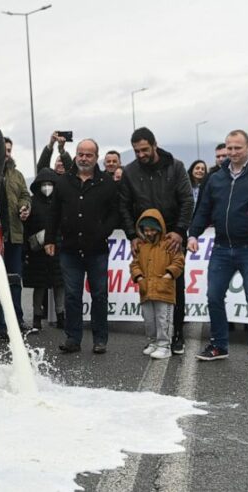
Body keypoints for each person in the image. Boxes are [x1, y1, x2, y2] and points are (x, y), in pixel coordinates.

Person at [188, 130, 248, 367]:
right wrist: (193, 234)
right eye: (229, 148)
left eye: (237, 148)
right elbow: (203, 209)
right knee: (213, 296)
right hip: (221, 247)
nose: (232, 153)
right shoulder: (215, 179)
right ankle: (219, 345)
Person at [119, 127, 193, 355]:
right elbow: (123, 205)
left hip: (172, 236)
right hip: (146, 237)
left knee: (173, 286)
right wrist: (132, 234)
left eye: (144, 149)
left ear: (154, 144)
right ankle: (156, 338)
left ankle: (176, 334)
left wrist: (180, 231)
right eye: (136, 151)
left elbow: (187, 200)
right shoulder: (130, 172)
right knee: (149, 287)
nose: (140, 155)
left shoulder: (176, 167)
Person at [44, 139, 119, 354]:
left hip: (97, 250)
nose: (84, 158)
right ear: (75, 155)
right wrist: (49, 239)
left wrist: (103, 231)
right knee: (72, 295)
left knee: (99, 295)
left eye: (89, 155)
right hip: (69, 250)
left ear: (97, 157)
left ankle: (100, 339)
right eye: (80, 154)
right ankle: (73, 338)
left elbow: (115, 213)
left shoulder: (107, 183)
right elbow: (54, 213)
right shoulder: (63, 182)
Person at [129, 209, 185, 360]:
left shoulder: (169, 244)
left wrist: (168, 275)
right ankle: (153, 342)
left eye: (152, 229)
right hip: (146, 290)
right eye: (146, 230)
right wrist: (139, 278)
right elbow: (134, 265)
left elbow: (179, 261)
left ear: (159, 228)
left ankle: (164, 345)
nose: (149, 233)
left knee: (163, 319)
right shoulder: (141, 246)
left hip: (164, 290)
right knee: (149, 319)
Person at [0, 137, 31, 338]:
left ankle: (17, 320)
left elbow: (25, 195)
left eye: (9, 150)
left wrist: (25, 207)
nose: (7, 153)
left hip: (14, 235)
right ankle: (1, 326)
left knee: (15, 281)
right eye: (4, 149)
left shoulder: (17, 175)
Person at [23, 167, 64, 331]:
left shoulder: (60, 203)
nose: (47, 187)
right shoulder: (32, 203)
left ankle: (61, 315)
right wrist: (28, 248)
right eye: (43, 184)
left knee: (59, 284)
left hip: (58, 249)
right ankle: (36, 318)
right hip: (37, 252)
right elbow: (26, 227)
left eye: (50, 184)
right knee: (39, 285)